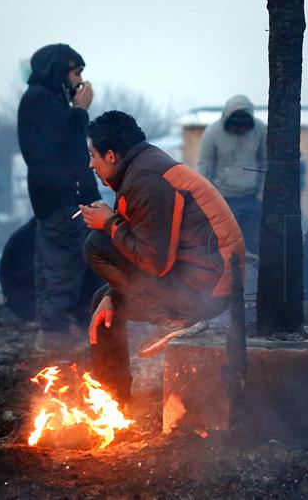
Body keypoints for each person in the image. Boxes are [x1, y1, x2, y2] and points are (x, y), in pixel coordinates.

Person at [80, 111, 244, 401]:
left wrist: (109, 223)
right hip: (196, 280)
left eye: (93, 155)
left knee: (96, 244)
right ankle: (114, 402)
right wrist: (114, 293)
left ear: (111, 156)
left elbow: (154, 262)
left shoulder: (147, 179)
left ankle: (179, 317)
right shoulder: (144, 168)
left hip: (207, 292)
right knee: (103, 305)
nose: (90, 164)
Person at [17, 43, 102, 351]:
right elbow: (67, 141)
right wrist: (80, 111)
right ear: (59, 71)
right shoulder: (41, 100)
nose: (79, 80)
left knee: (67, 262)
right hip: (59, 197)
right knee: (62, 265)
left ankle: (66, 330)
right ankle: (54, 334)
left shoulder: (47, 100)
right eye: (75, 72)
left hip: (60, 195)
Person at [197, 95, 266, 254]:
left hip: (252, 200)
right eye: (236, 126)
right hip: (223, 199)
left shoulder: (261, 130)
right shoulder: (212, 132)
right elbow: (204, 168)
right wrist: (207, 202)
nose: (240, 129)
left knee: (254, 246)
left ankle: (255, 278)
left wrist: (261, 197)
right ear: (228, 119)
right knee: (225, 246)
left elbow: (265, 163)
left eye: (244, 126)